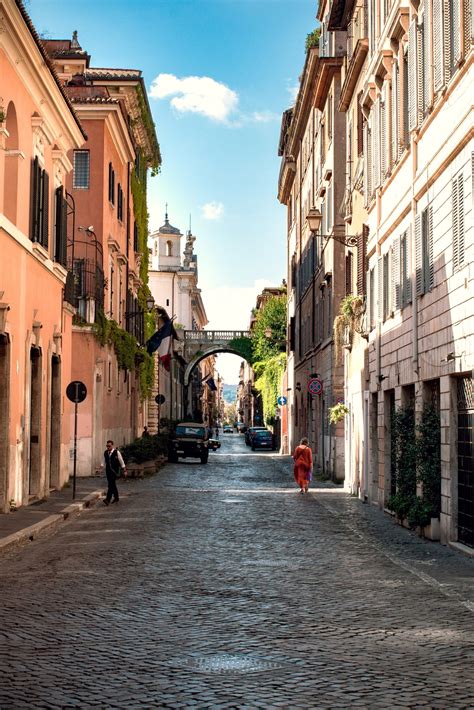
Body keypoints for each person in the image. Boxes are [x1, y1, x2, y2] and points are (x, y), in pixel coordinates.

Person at [102, 440, 126, 505]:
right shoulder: (105, 452)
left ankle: (108, 499)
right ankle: (116, 497)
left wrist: (124, 470)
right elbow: (104, 461)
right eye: (107, 446)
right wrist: (101, 467)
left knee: (111, 484)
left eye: (109, 446)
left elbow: (121, 461)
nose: (108, 447)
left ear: (112, 445)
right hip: (108, 471)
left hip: (114, 471)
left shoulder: (116, 452)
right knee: (112, 484)